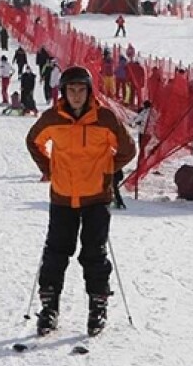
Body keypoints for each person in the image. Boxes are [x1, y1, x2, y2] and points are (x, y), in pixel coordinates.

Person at [25, 66, 136, 337]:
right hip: (62, 196)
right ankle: (49, 309)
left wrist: (107, 171)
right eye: (71, 90)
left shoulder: (105, 119)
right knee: (55, 254)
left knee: (94, 255)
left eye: (81, 90)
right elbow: (33, 142)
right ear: (63, 92)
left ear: (89, 91)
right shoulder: (52, 118)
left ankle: (97, 308)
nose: (76, 96)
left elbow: (128, 149)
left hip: (95, 197)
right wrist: (49, 170)